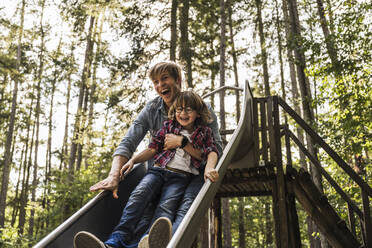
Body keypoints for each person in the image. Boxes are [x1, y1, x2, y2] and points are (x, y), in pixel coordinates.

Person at [74, 62, 223, 248]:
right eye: (155, 82)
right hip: (158, 170)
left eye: (165, 79)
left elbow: (214, 149)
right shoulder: (161, 118)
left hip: (187, 175)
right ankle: (113, 243)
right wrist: (122, 168)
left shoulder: (201, 112)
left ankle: (143, 245)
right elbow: (140, 144)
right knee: (139, 198)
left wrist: (186, 147)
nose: (160, 85)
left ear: (178, 80)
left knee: (165, 208)